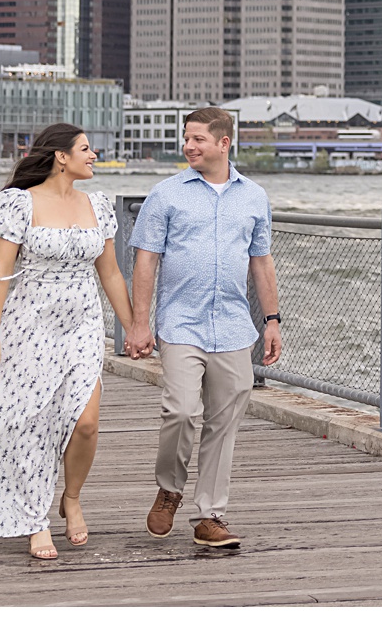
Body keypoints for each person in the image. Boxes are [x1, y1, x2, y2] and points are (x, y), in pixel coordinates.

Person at [0, 123, 131, 559]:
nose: (94, 155)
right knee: (32, 424)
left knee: (85, 422)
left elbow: (111, 273)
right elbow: (1, 274)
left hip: (82, 324)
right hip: (30, 326)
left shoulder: (99, 205)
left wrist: (132, 326)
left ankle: (71, 498)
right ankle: (34, 519)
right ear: (62, 157)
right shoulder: (20, 204)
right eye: (85, 148)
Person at [124, 104, 279, 551]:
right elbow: (146, 260)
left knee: (223, 421)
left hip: (233, 326)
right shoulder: (166, 194)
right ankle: (169, 488)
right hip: (181, 323)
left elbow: (261, 262)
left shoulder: (254, 196)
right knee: (181, 411)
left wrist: (272, 321)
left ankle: (210, 515)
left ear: (224, 143)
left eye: (198, 139)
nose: (188, 146)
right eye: (187, 138)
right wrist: (139, 323)